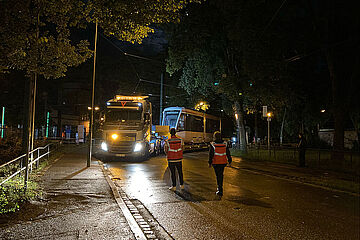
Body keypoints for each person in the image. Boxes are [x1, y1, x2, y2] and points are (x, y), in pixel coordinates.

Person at [209, 131, 232, 196]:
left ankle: (219, 189)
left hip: (216, 163)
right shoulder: (225, 143)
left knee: (218, 176)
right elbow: (228, 152)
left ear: (214, 137)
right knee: (221, 175)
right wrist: (230, 160)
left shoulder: (212, 144)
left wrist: (210, 162)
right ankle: (220, 189)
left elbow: (211, 154)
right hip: (223, 162)